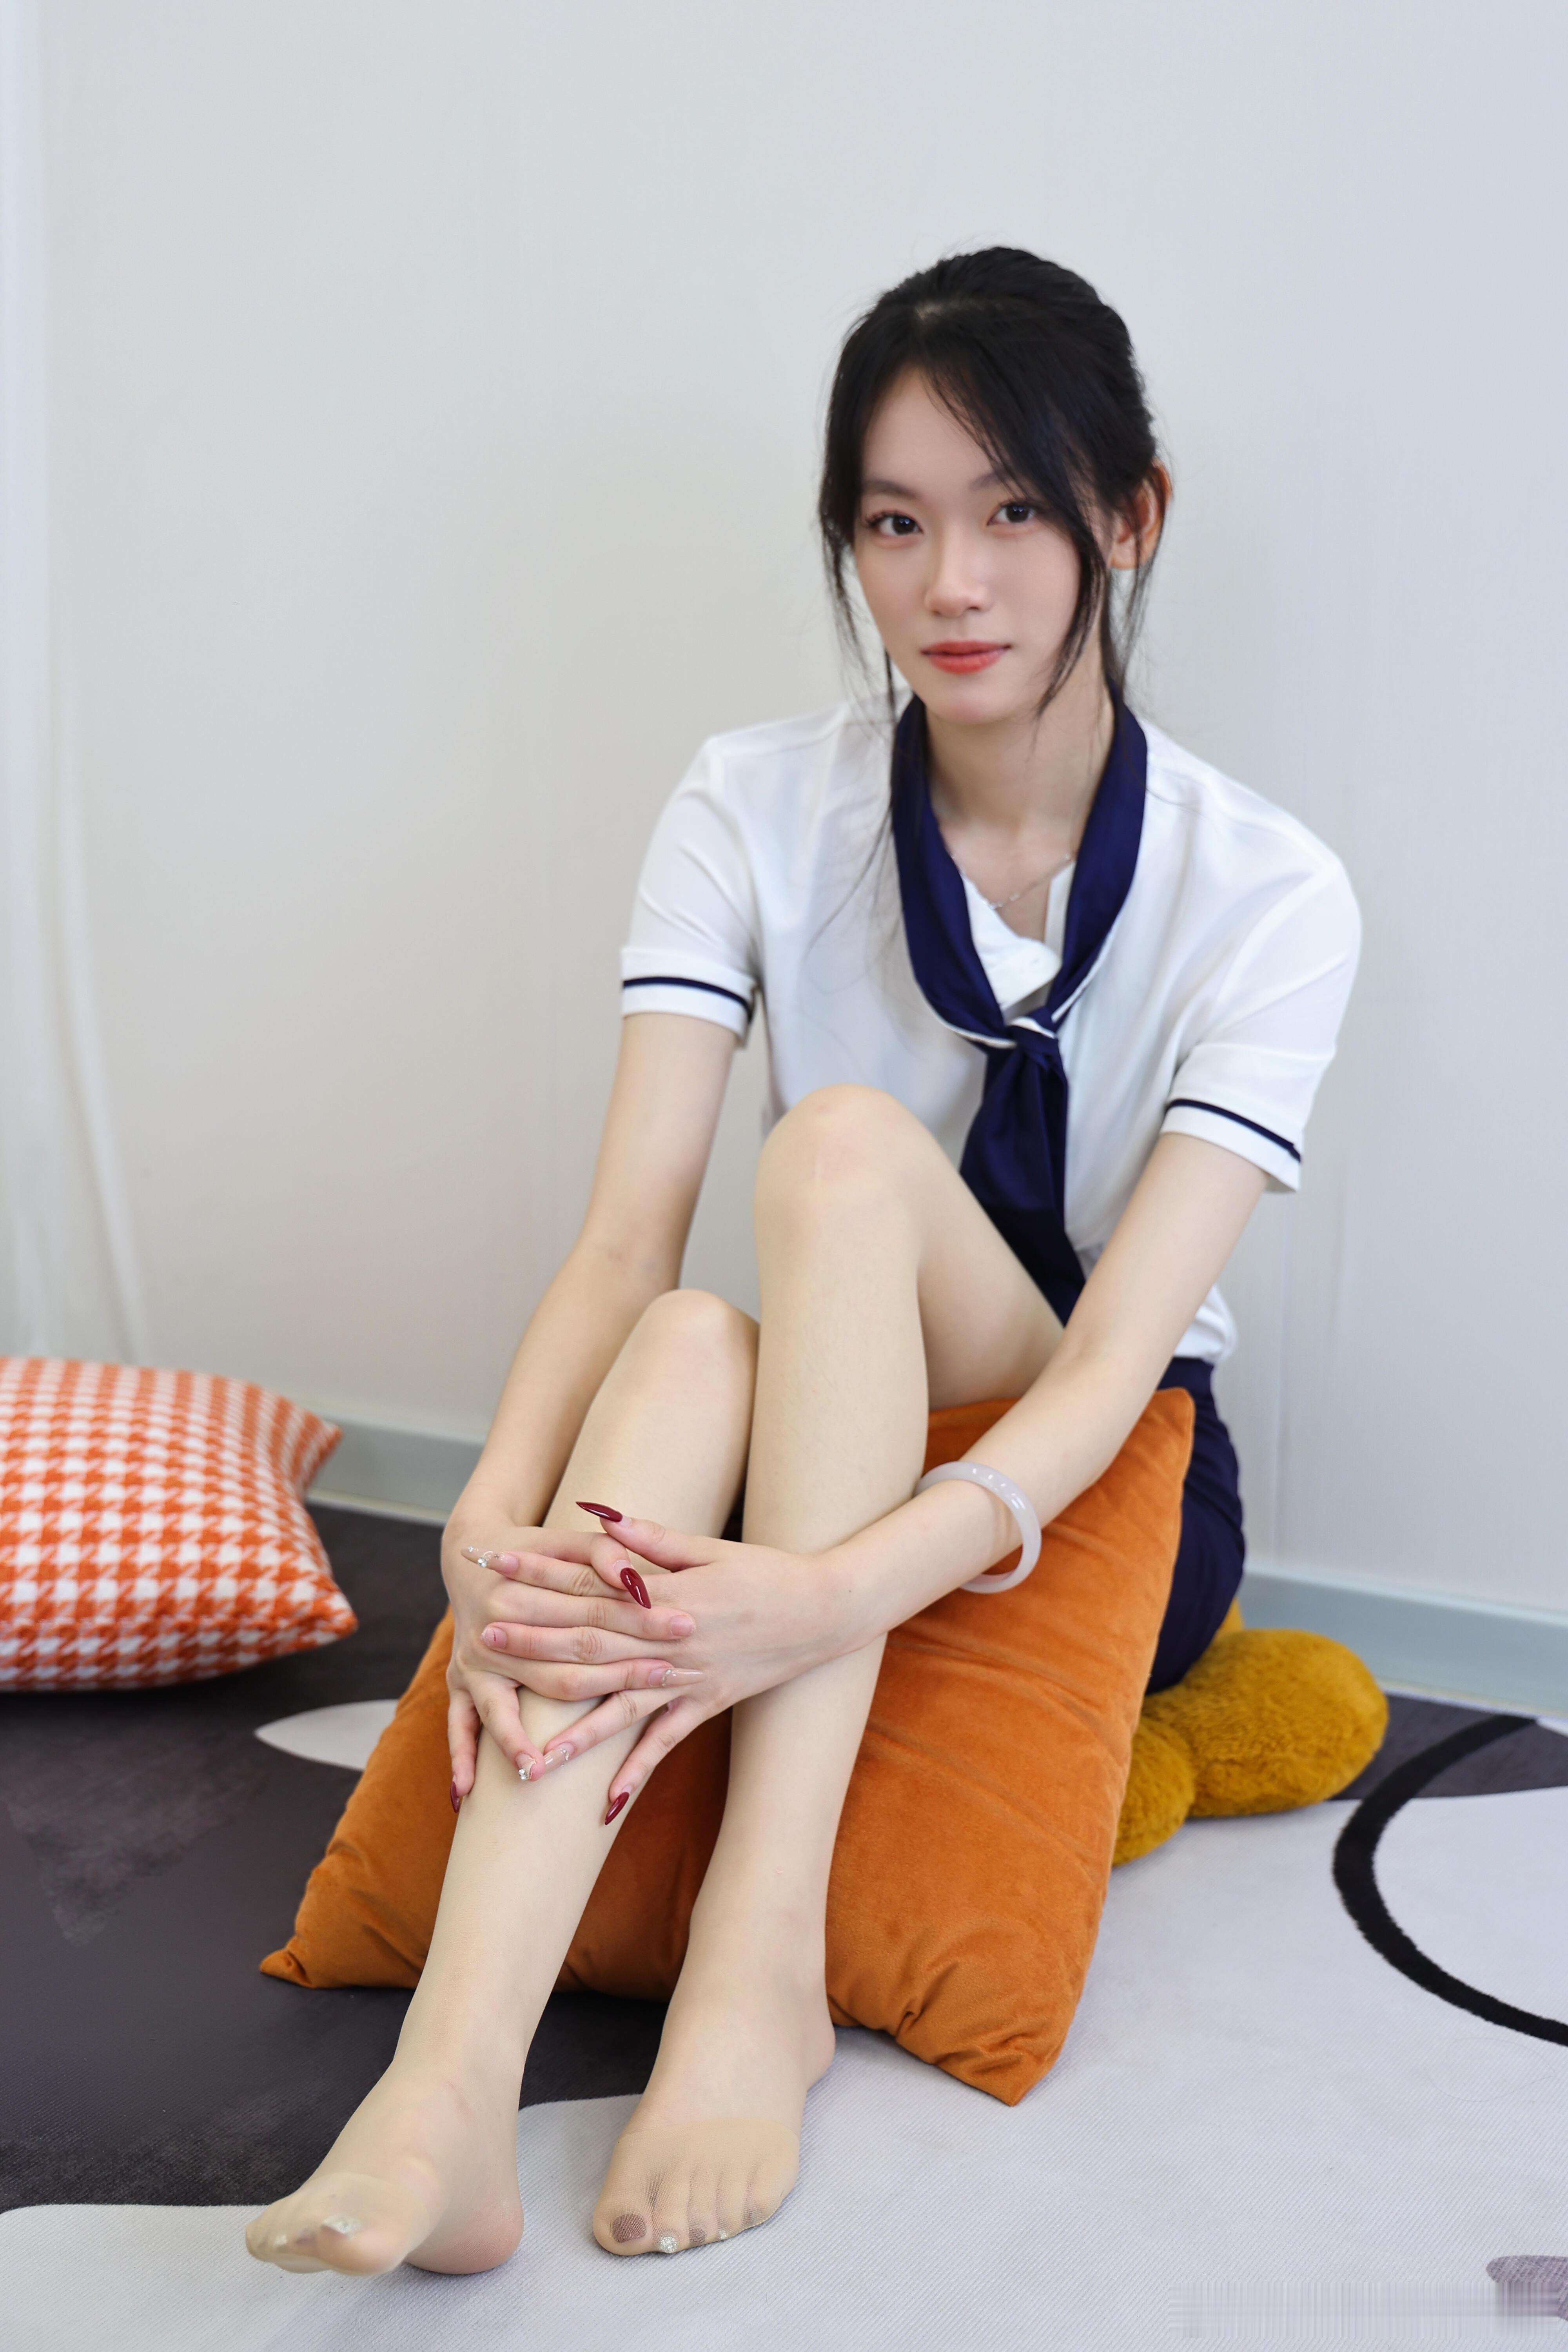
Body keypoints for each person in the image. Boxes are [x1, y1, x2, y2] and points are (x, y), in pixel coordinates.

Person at [247, 247, 1359, 2277]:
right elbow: (625, 1238)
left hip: (1098, 1474)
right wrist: (485, 1528)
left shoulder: (1269, 891)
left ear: (1131, 520)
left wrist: (819, 1598)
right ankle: (450, 2089)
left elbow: (1111, 1368)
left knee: (838, 1152)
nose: (953, 582)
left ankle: (755, 1969)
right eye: (895, 522)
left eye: (1014, 512)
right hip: (832, 1410)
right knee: (686, 1337)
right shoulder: (755, 801)